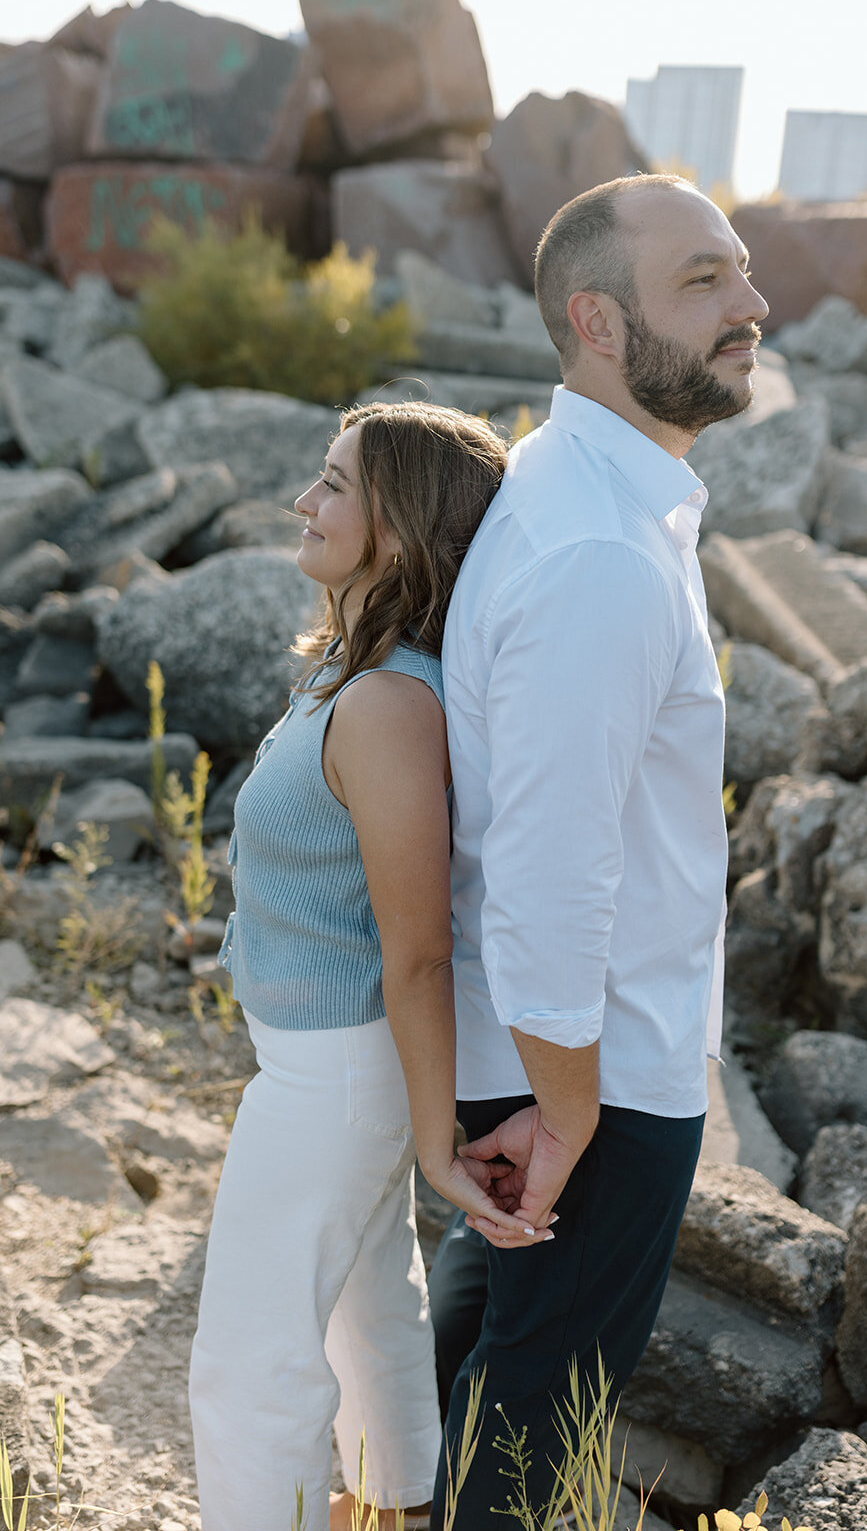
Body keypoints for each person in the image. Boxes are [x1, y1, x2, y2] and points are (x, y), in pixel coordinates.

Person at [428, 173, 770, 1527]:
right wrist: (569, 1111)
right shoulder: (597, 553)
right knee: (531, 1429)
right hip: (591, 1079)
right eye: (700, 282)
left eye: (739, 271)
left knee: (484, 1376)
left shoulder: (593, 493)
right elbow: (548, 873)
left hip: (551, 1061)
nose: (748, 305)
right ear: (597, 323)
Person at [188, 401, 548, 1531]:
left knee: (248, 1358)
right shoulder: (353, 669)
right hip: (324, 1062)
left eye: (334, 484)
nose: (305, 501)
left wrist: (431, 1132)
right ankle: (392, 1508)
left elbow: (420, 948)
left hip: (336, 1074)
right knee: (363, 1307)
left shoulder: (390, 704)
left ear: (398, 525)